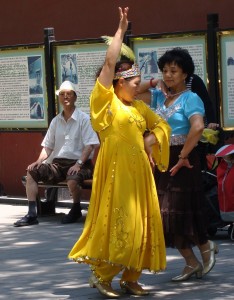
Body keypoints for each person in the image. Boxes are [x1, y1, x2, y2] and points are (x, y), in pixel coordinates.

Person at [68, 7, 171, 298]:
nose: (139, 88)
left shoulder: (138, 108)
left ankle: (131, 277)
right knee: (119, 223)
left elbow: (161, 125)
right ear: (119, 83)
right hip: (117, 176)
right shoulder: (106, 103)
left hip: (140, 176)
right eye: (135, 84)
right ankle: (103, 276)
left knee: (143, 224)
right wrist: (121, 31)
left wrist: (149, 143)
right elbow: (110, 62)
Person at [139, 47, 219, 282]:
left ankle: (203, 248)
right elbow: (132, 94)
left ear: (186, 74)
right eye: (164, 70)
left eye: (174, 70)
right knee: (166, 214)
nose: (168, 75)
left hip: (184, 160)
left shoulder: (191, 98)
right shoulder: (158, 97)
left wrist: (184, 155)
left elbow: (197, 127)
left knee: (174, 212)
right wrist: (154, 81)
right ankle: (195, 259)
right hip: (163, 159)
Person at [14, 80, 99, 227]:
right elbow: (47, 146)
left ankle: (76, 208)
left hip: (80, 163)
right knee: (32, 172)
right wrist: (38, 161)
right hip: (58, 164)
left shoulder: (83, 119)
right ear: (59, 97)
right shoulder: (55, 121)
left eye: (69, 94)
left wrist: (79, 164)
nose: (65, 97)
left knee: (72, 179)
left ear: (75, 97)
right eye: (62, 94)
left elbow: (90, 145)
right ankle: (32, 213)